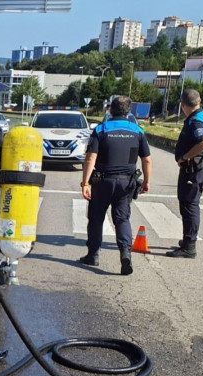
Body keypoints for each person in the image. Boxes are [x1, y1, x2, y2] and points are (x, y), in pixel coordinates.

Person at [79, 96, 152, 275]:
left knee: (96, 218)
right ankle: (125, 253)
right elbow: (147, 160)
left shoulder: (102, 129)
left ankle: (93, 254)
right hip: (126, 183)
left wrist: (85, 182)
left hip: (103, 182)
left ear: (110, 109)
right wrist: (147, 182)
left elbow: (91, 157)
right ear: (129, 111)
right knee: (122, 219)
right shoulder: (138, 131)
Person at [166, 89, 203, 259]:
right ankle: (188, 240)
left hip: (195, 168)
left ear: (183, 105)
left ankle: (189, 246)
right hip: (200, 166)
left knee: (189, 204)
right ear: (199, 100)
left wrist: (186, 156)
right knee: (188, 203)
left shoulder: (196, 121)